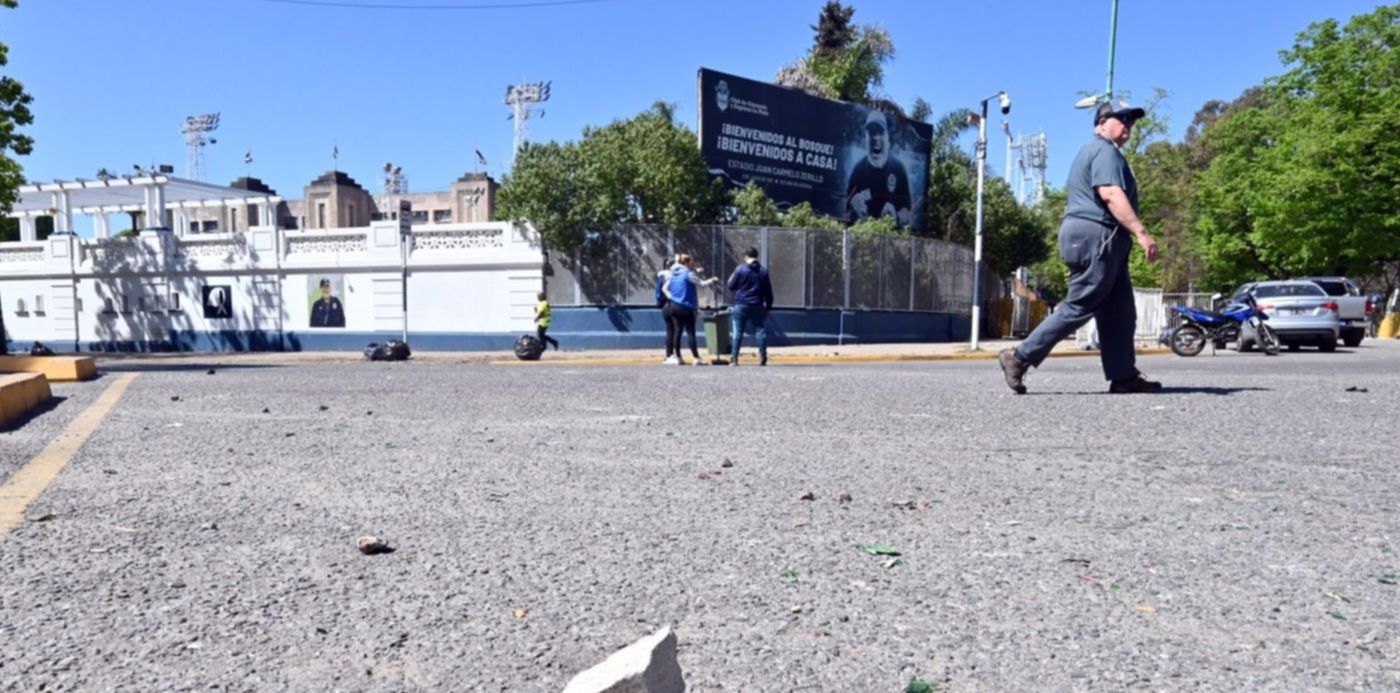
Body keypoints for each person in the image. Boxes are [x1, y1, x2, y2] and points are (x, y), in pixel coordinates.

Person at [998, 101, 1162, 395]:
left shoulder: (1103, 151)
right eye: (1122, 118)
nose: (1128, 125)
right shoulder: (1104, 150)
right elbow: (1110, 193)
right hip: (1095, 237)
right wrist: (1141, 233)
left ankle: (1124, 375)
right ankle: (1019, 357)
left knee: (1120, 312)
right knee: (1081, 304)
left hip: (1101, 239)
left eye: (1131, 121)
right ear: (1102, 122)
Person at [845, 109, 913, 228]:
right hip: (863, 232)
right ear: (866, 139)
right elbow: (844, 212)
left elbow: (908, 213)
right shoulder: (858, 170)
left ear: (888, 138)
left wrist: (896, 217)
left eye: (880, 133)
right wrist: (853, 208)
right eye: (872, 133)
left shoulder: (899, 169)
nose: (876, 138)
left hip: (890, 234)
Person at [662, 253, 721, 365]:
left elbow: (665, 288)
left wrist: (672, 297)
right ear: (686, 262)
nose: (693, 263)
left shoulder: (673, 273)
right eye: (691, 261)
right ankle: (696, 358)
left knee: (677, 331)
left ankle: (678, 357)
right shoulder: (688, 274)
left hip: (674, 305)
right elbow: (702, 284)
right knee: (690, 332)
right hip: (686, 306)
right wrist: (712, 280)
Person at [727, 247, 774, 366]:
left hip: (741, 304)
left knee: (738, 332)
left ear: (746, 256)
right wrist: (768, 307)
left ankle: (734, 358)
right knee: (760, 331)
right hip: (757, 305)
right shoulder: (763, 271)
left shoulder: (740, 269)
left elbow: (731, 286)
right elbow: (768, 292)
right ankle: (763, 357)